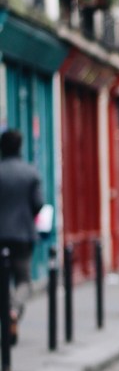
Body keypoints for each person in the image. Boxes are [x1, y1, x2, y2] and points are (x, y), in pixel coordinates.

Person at [0, 129, 44, 345]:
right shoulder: (30, 173)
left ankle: (9, 313)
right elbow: (38, 204)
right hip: (23, 236)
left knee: (2, 281)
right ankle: (14, 311)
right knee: (24, 280)